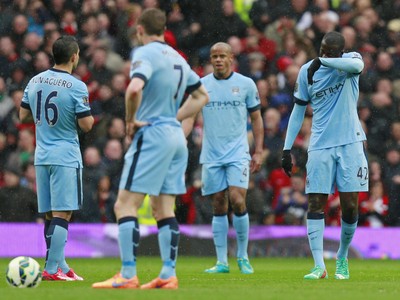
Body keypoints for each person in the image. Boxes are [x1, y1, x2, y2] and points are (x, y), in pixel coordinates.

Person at [92, 8, 208, 290]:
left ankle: (128, 274)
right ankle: (168, 274)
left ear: (140, 29)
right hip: (175, 138)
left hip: (153, 134)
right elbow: (201, 96)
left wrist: (131, 121)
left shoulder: (145, 53)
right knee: (163, 209)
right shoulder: (177, 58)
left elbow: (134, 89)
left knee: (124, 205)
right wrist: (174, 118)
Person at [281, 31, 367, 280]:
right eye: (321, 50)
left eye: (329, 51)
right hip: (319, 145)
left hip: (351, 142)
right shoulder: (308, 70)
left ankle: (342, 257)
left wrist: (325, 60)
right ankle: (319, 266)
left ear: (339, 51)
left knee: (350, 206)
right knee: (315, 202)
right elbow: (298, 111)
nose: (323, 54)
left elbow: (358, 65)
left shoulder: (350, 61)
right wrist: (287, 149)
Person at [183, 42, 264, 274]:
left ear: (232, 58)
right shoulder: (202, 86)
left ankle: (243, 256)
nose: (217, 60)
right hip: (212, 154)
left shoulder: (246, 84)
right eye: (214, 56)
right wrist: (180, 138)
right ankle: (221, 262)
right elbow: (189, 116)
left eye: (222, 56)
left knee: (238, 199)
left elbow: (257, 118)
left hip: (238, 152)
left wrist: (258, 150)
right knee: (218, 202)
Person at [19, 35, 94, 281]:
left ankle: (60, 263)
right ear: (74, 57)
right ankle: (51, 270)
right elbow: (86, 125)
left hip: (42, 155)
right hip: (65, 155)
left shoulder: (35, 80)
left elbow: (23, 117)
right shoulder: (76, 86)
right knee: (63, 213)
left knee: (51, 214)